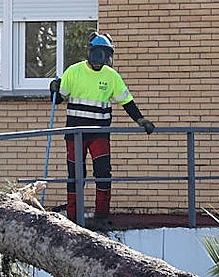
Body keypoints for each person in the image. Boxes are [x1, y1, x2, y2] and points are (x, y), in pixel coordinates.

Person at [50, 32, 154, 221]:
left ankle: (102, 217)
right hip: (75, 134)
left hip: (100, 134)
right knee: (75, 175)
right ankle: (73, 217)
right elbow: (58, 100)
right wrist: (54, 89)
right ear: (90, 53)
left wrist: (141, 120)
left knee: (103, 173)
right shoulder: (73, 71)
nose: (100, 60)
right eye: (97, 54)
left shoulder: (111, 76)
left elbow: (127, 102)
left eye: (104, 56)